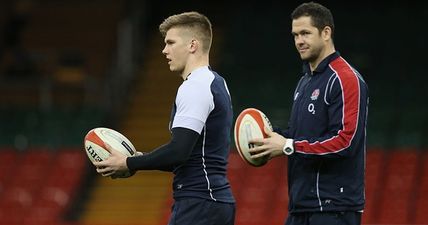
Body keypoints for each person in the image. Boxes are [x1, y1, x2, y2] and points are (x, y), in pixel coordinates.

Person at [94, 11, 235, 225]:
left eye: (170, 42)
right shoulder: (216, 82)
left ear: (192, 45)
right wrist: (140, 159)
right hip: (212, 201)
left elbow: (178, 152)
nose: (164, 50)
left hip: (199, 202)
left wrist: (128, 162)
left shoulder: (194, 87)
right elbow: (192, 156)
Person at [248, 2, 369, 225]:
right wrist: (269, 136)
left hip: (334, 208)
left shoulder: (345, 79)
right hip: (301, 206)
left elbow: (345, 142)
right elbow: (297, 135)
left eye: (305, 33)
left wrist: (288, 146)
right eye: (295, 35)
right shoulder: (304, 82)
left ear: (326, 33)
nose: (299, 41)